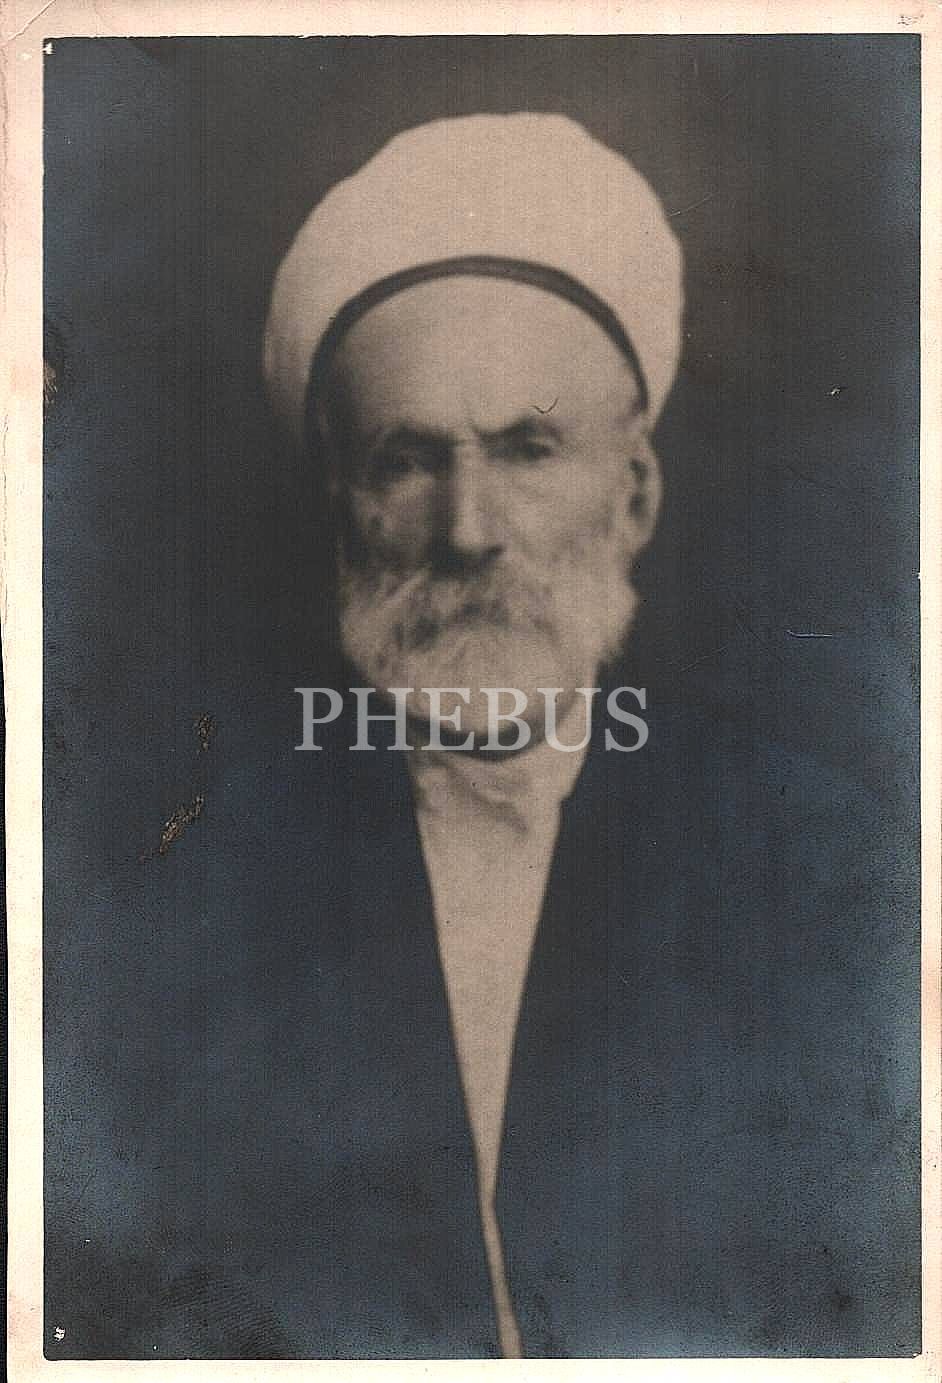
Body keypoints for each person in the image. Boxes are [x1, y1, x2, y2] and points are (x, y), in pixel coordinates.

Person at [45, 113, 920, 1360]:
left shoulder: (822, 858)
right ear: (340, 503)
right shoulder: (184, 893)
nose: (469, 530)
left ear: (633, 495)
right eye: (408, 460)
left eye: (527, 448)